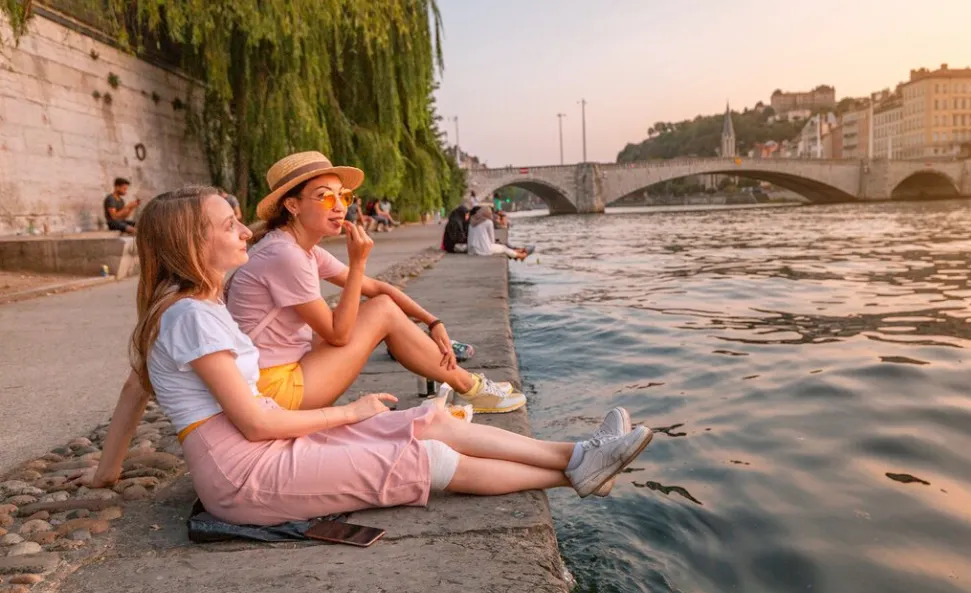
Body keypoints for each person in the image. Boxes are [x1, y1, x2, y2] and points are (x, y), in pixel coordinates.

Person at [79, 185, 653, 525]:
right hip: (245, 477)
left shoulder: (188, 309)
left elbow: (136, 388)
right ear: (190, 243)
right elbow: (254, 423)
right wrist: (350, 414)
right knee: (423, 460)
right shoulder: (190, 316)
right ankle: (573, 474)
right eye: (229, 226)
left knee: (427, 419)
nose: (244, 234)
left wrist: (107, 474)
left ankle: (579, 453)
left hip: (264, 451)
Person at [226, 151, 526, 415]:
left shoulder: (299, 248)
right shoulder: (285, 254)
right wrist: (358, 262)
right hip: (273, 392)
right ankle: (468, 385)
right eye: (324, 196)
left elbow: (379, 288)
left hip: (279, 373)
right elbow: (339, 335)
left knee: (381, 307)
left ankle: (465, 382)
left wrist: (433, 321)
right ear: (292, 205)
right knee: (380, 312)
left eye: (342, 196)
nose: (339, 206)